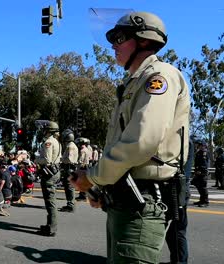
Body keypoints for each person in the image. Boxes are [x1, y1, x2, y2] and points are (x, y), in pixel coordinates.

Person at [73, 11, 190, 263]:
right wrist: (100, 187)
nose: (113, 45)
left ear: (143, 41)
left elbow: (141, 141)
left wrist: (93, 177)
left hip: (143, 202)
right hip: (126, 199)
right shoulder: (132, 83)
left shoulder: (159, 77)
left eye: (119, 37)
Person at [166, 139, 194, 264]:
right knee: (175, 232)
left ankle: (180, 261)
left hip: (177, 188)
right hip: (180, 188)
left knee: (176, 232)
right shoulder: (186, 140)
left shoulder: (183, 141)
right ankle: (178, 260)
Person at [35, 121, 61, 236]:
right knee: (51, 200)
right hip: (55, 172)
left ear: (48, 130)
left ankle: (51, 228)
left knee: (50, 201)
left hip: (49, 174)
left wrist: (36, 159)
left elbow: (47, 160)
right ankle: (50, 224)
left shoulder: (48, 142)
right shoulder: (56, 142)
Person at [59, 129, 78, 212]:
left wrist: (61, 159)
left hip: (69, 167)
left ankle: (70, 205)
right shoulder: (71, 145)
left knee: (69, 187)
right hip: (70, 168)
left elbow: (69, 159)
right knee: (69, 186)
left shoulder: (70, 146)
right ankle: (69, 204)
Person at [191, 140, 209, 207]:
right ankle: (201, 200)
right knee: (198, 185)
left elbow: (204, 164)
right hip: (198, 172)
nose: (197, 146)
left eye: (199, 145)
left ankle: (206, 202)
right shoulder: (199, 152)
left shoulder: (204, 152)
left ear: (202, 145)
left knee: (203, 187)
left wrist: (200, 170)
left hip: (202, 172)